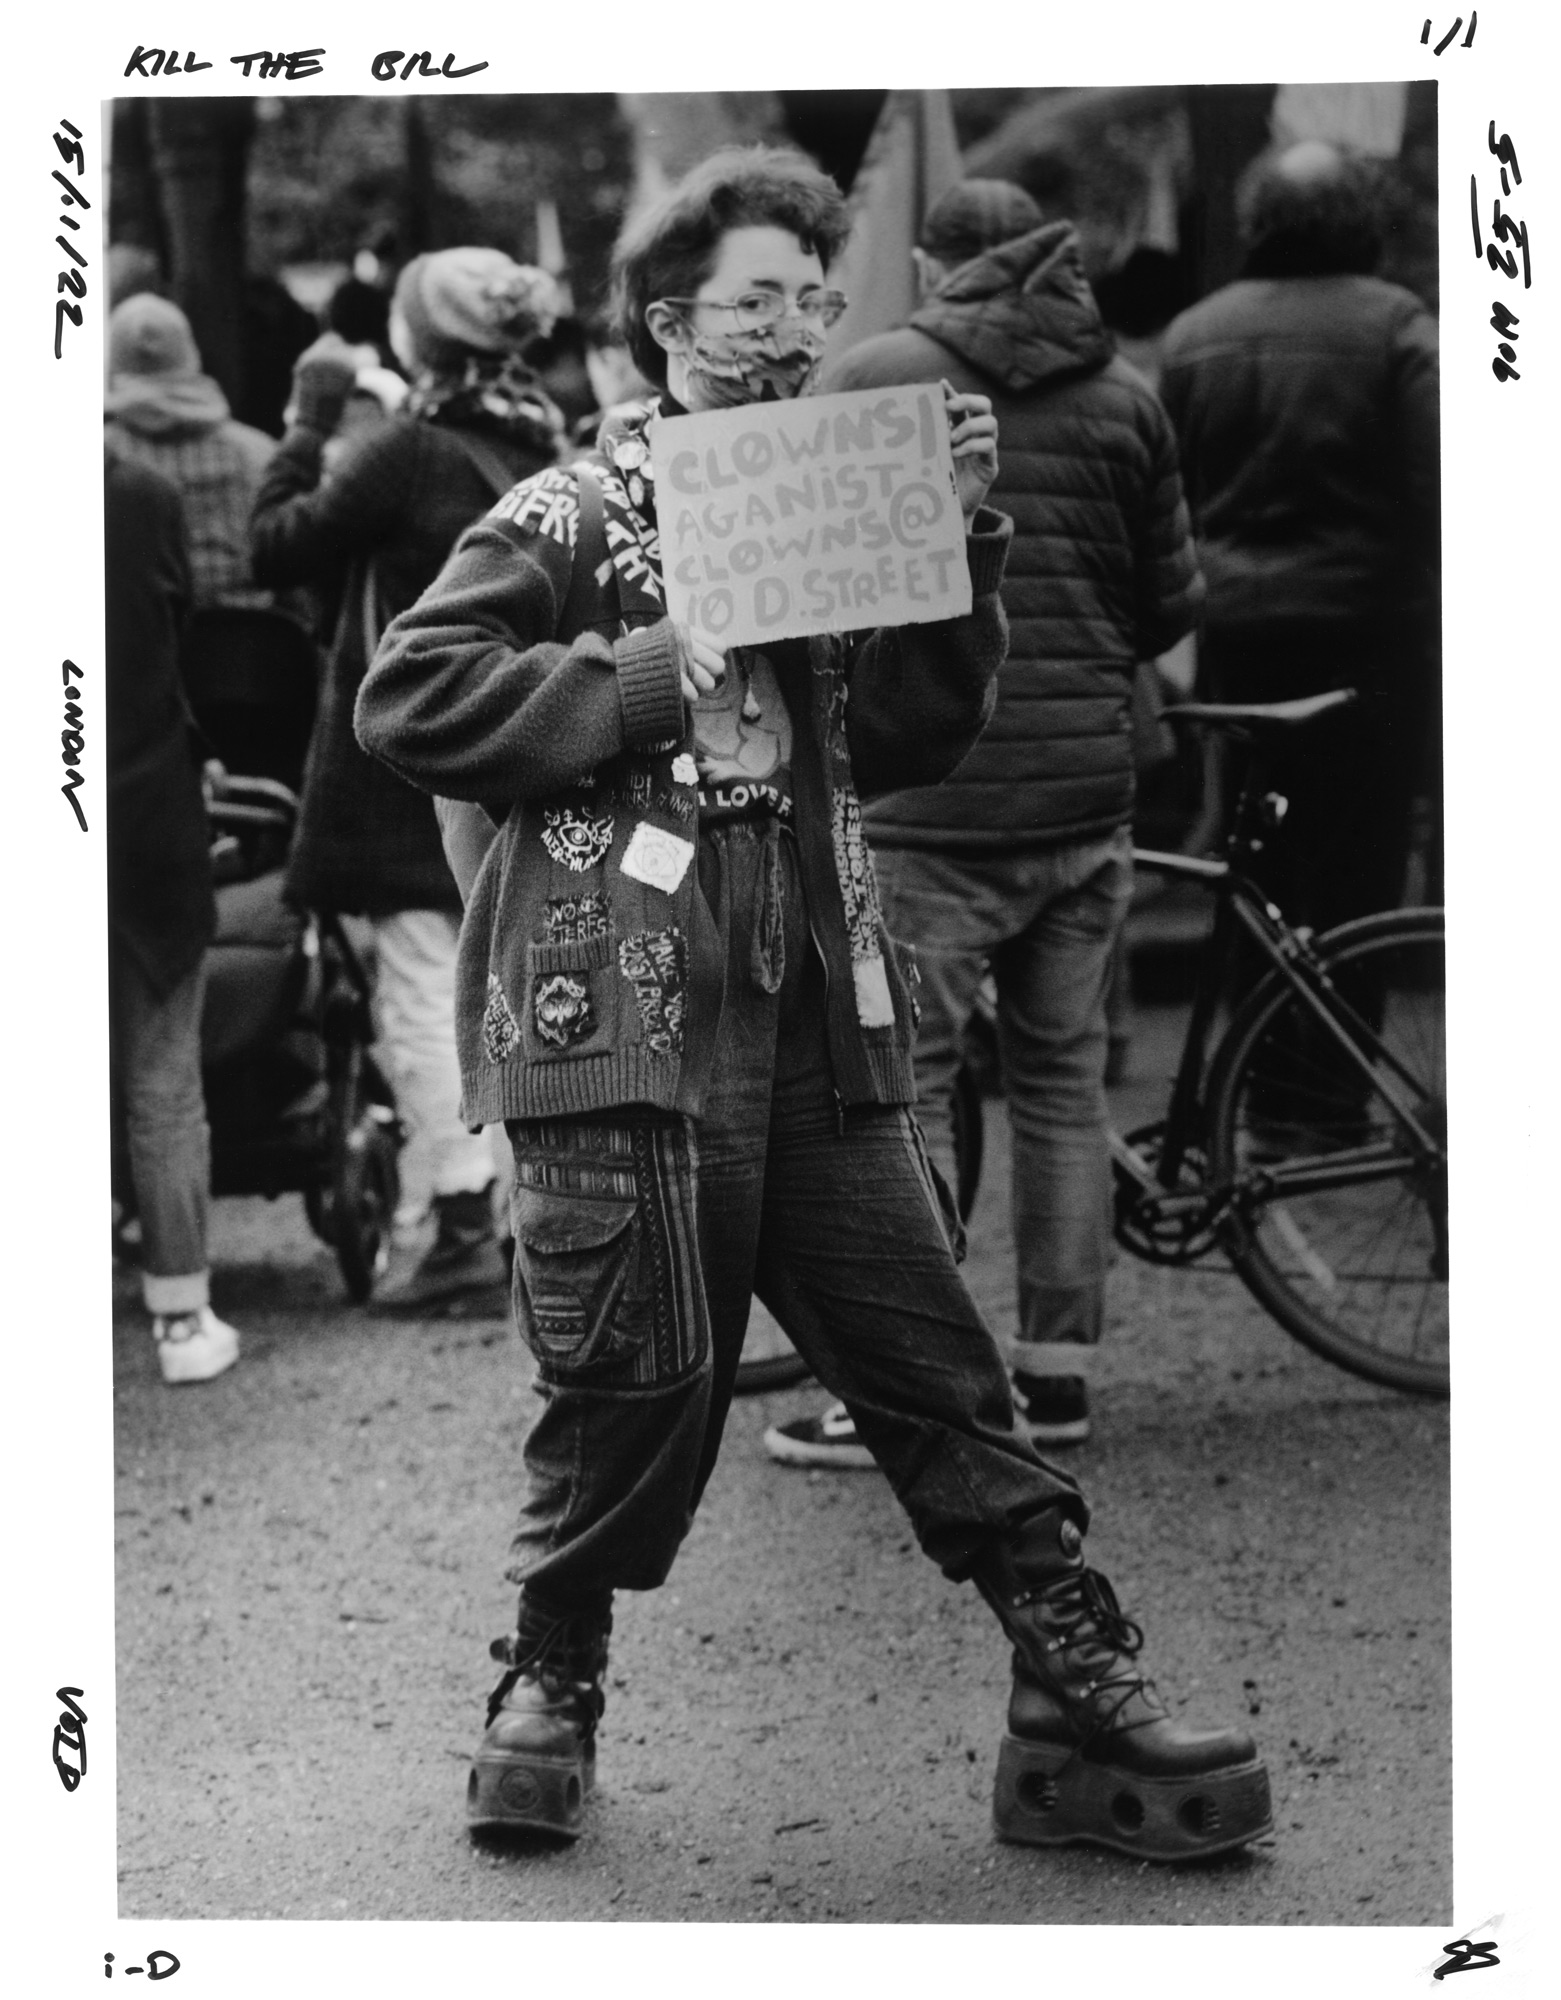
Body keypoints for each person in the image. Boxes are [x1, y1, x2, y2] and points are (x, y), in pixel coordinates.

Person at [354, 147, 1268, 1859]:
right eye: (757, 301)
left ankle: (1069, 1680)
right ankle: (549, 1677)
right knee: (623, 1369)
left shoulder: (832, 494)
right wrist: (633, 676)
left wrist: (965, 553)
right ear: (666, 319)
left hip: (818, 991)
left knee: (929, 1351)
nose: (792, 333)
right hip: (620, 1010)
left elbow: (920, 734)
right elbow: (405, 699)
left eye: (809, 302)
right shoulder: (564, 508)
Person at [767, 180, 1202, 1465]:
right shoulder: (1126, 393)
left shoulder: (872, 375)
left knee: (909, 1086)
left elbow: (797, 582)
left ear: (925, 260)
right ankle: (1057, 1376)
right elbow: (1168, 607)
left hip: (929, 804)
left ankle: (912, 1390)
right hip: (1084, 799)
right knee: (1065, 1089)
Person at [251, 249, 569, 1312]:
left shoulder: (407, 450)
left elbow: (277, 546)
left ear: (418, 342)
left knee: (419, 993)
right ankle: (500, 1212)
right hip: (505, 752)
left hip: (404, 765)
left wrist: (305, 420)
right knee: (486, 990)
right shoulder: (539, 444)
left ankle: (466, 1221)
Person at [1158, 140, 1441, 939]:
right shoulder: (1396, 326)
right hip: (1370, 633)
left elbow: (1169, 494)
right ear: (1360, 218)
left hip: (1240, 634)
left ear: (1258, 221)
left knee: (1256, 860)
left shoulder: (1192, 335)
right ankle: (1338, 1058)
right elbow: (1440, 488)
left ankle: (1257, 1053)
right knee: (1365, 862)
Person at [105, 448, 240, 1385]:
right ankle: (182, 1316)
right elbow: (171, 646)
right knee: (163, 1080)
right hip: (146, 812)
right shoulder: (140, 493)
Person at [104, 293, 281, 612]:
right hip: (252, 652)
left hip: (143, 653)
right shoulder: (259, 453)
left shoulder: (103, 461)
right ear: (190, 353)